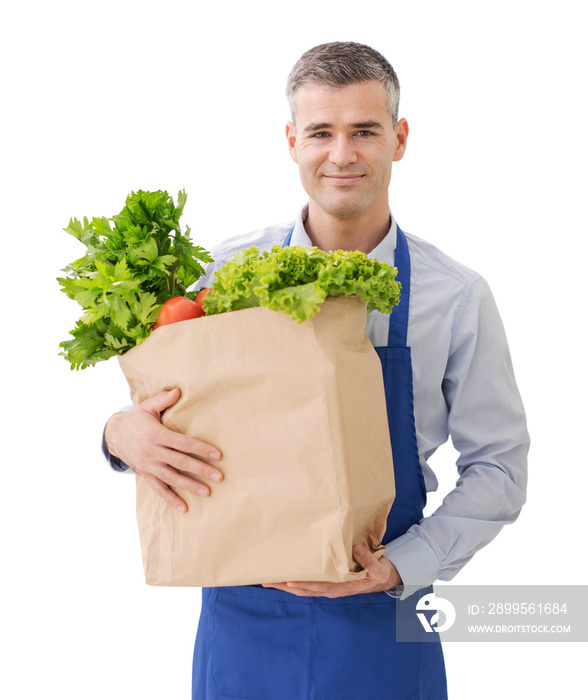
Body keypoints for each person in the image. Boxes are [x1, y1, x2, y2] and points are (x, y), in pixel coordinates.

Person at [104, 41, 529, 700]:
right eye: (321, 132)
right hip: (242, 622)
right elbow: (165, 411)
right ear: (291, 141)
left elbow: (500, 467)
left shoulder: (457, 296)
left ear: (400, 139)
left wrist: (399, 568)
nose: (342, 154)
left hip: (386, 621)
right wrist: (117, 435)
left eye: (365, 130)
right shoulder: (220, 274)